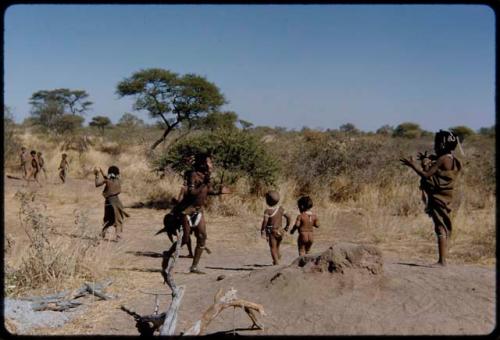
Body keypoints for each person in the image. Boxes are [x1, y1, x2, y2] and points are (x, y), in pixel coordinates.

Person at [159, 152, 229, 274]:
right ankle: (168, 254)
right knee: (185, 239)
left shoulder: (206, 176)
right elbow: (191, 193)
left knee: (202, 237)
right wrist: (203, 184)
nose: (211, 164)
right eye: (209, 162)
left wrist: (219, 191)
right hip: (187, 211)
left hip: (199, 211)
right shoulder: (193, 175)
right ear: (203, 163)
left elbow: (208, 191)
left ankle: (194, 267)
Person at [400, 130, 462, 266]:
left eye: (437, 143)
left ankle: (442, 261)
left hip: (439, 197)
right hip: (446, 196)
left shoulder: (442, 159)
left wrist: (412, 165)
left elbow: (426, 175)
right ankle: (442, 260)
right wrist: (426, 160)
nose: (435, 146)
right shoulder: (451, 158)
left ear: (443, 144)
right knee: (442, 225)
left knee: (440, 227)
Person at [95, 166, 129, 242]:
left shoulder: (107, 180)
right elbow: (107, 177)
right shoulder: (118, 180)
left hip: (108, 202)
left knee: (107, 218)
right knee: (118, 219)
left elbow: (97, 184)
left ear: (109, 173)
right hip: (117, 202)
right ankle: (118, 236)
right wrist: (101, 171)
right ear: (117, 173)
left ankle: (102, 234)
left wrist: (97, 175)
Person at [260, 190, 291, 265]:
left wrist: (262, 230)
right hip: (281, 231)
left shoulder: (267, 211)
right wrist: (287, 226)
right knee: (277, 245)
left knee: (272, 247)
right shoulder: (281, 209)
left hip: (272, 231)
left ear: (267, 201)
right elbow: (289, 217)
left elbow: (265, 221)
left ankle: (276, 263)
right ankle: (277, 256)